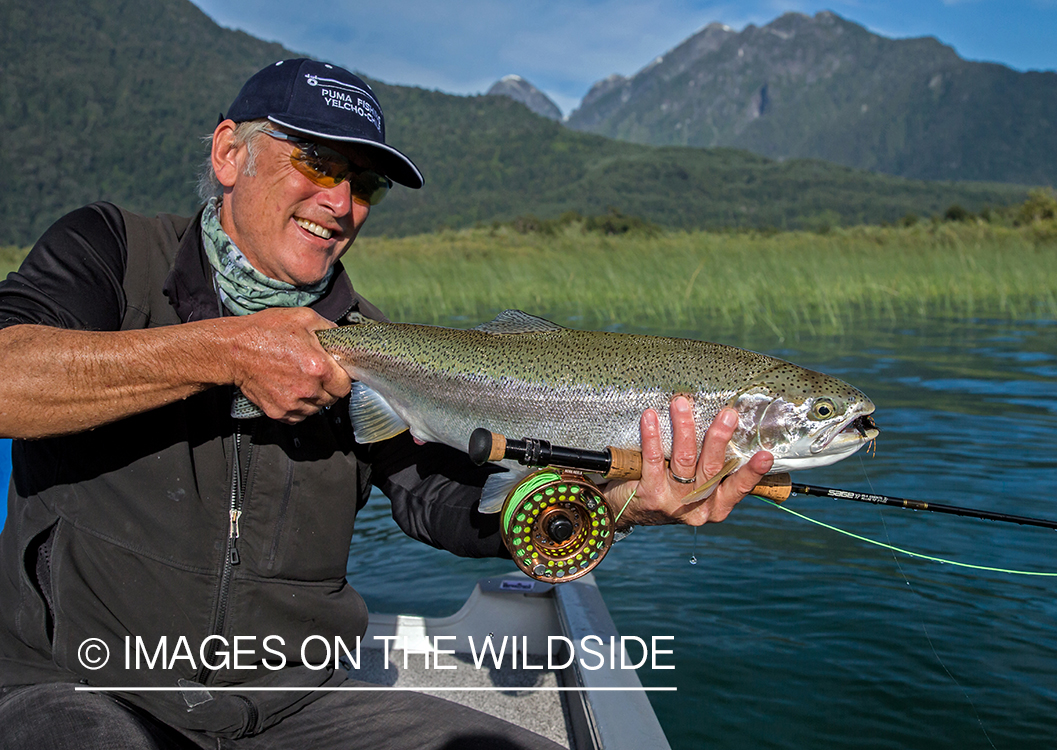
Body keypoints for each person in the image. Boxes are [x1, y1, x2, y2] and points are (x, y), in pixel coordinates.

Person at [0, 58, 773, 748]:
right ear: (229, 152)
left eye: (362, 182)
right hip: (82, 679)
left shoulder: (374, 346)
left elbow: (438, 500)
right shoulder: (107, 248)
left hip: (294, 703)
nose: (340, 202)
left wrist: (621, 501)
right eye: (316, 162)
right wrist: (225, 350)